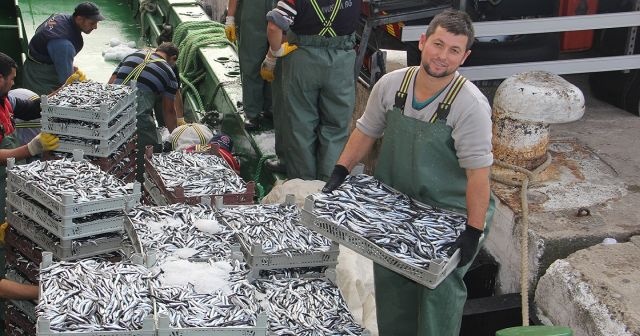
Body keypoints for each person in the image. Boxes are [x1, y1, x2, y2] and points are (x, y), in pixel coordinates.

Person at [321, 9, 495, 336]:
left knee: (436, 291)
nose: (443, 56)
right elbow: (365, 132)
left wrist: (473, 230)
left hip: (450, 211)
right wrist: (340, 171)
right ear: (423, 40)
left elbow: (478, 176)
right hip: (398, 202)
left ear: (465, 56)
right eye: (438, 44)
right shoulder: (391, 85)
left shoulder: (470, 105)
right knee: (392, 279)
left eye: (454, 50)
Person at [262, 0, 360, 180]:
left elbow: (274, 28)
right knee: (335, 128)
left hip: (303, 62)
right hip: (341, 64)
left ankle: (303, 187)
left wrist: (274, 53)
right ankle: (327, 188)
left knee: (301, 127)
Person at [0, 52, 59, 222]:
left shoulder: (7, 100)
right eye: (11, 79)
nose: (13, 84)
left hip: (11, 177)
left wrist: (65, 89)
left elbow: (33, 109)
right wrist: (32, 148)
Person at [108, 42, 180, 182]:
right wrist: (176, 136)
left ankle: (115, 175)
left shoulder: (132, 55)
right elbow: (169, 110)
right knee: (152, 149)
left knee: (114, 147)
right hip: (138, 117)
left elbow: (110, 84)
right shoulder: (169, 72)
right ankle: (142, 180)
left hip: (112, 108)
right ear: (173, 58)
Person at [22, 2, 104, 95]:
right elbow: (66, 82)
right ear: (79, 19)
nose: (95, 27)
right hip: (39, 79)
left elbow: (39, 31)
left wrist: (65, 62)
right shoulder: (64, 45)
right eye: (92, 23)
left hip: (32, 63)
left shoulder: (59, 17)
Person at [226, 0, 274, 131]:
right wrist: (230, 17)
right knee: (251, 61)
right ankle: (253, 112)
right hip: (252, 13)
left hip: (281, 8)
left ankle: (272, 107)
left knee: (278, 61)